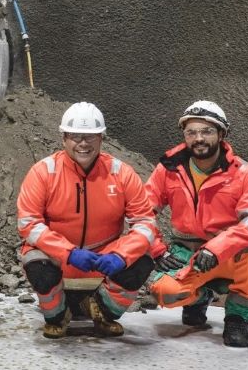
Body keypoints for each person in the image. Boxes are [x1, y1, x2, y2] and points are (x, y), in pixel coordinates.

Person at [16, 102, 157, 339]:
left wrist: (121, 255)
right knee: (35, 261)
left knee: (142, 259)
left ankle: (102, 310)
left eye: (90, 136)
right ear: (64, 139)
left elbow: (145, 223)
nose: (83, 143)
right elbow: (28, 223)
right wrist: (68, 252)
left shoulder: (121, 173)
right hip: (60, 257)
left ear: (101, 139)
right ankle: (58, 316)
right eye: (75, 136)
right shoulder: (44, 172)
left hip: (104, 258)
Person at [146, 101, 248, 347]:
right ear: (184, 135)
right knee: (164, 291)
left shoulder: (247, 174)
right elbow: (142, 210)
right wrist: (156, 249)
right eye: (191, 132)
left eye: (206, 131)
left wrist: (217, 248)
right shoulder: (168, 170)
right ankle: (200, 296)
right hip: (188, 252)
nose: (198, 138)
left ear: (221, 134)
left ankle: (237, 318)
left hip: (230, 254)